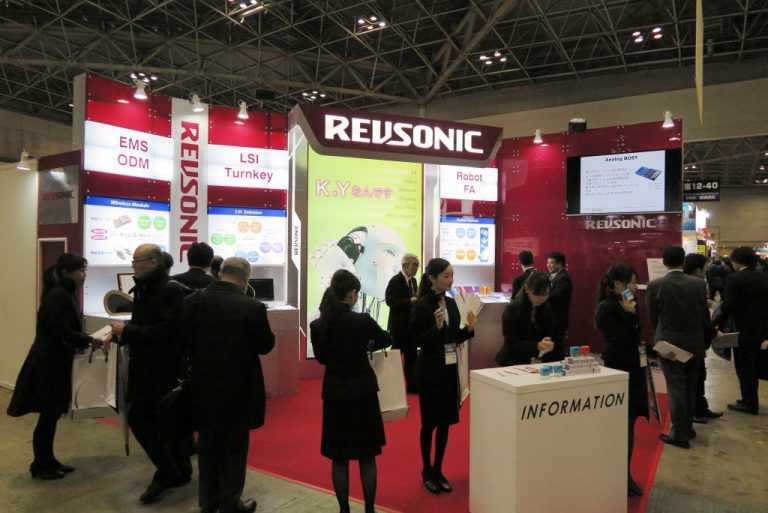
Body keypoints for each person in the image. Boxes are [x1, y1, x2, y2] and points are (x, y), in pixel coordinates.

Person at [182, 257, 275, 513]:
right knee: (234, 449)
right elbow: (265, 346)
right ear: (246, 278)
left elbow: (183, 342)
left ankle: (207, 502)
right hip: (239, 390)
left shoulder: (193, 301)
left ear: (220, 273)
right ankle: (230, 503)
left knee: (207, 447)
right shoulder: (252, 307)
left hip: (202, 387)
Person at [7, 253, 105, 480]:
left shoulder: (64, 292)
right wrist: (89, 340)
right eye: (81, 270)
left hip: (54, 361)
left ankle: (47, 460)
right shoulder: (59, 295)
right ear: (66, 272)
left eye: (85, 269)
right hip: (48, 364)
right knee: (48, 415)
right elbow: (61, 331)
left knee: (51, 415)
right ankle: (41, 465)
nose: (84, 274)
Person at [110, 244, 192, 503]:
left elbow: (167, 331)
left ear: (153, 262)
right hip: (149, 366)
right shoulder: (147, 288)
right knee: (165, 420)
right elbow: (150, 325)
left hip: (161, 369)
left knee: (142, 418)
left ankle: (168, 470)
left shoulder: (168, 289)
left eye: (137, 259)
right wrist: (123, 335)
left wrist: (127, 331)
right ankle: (179, 470)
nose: (132, 264)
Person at [309, 269, 392, 513]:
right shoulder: (361, 320)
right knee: (367, 457)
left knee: (339, 458)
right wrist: (367, 344)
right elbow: (386, 339)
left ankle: (344, 509)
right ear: (352, 293)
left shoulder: (318, 325)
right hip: (363, 393)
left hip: (335, 394)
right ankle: (369, 509)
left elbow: (322, 358)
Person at [411, 258, 476, 494]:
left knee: (445, 423)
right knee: (429, 424)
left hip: (449, 369)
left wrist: (469, 329)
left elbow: (454, 337)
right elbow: (415, 339)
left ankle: (438, 469)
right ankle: (426, 470)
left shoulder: (451, 302)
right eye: (446, 276)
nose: (450, 280)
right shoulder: (422, 305)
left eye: (452, 275)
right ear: (432, 278)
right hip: (430, 370)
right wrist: (435, 329)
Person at [646, 246, 710, 449]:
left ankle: (679, 433)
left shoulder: (655, 285)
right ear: (683, 261)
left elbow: (653, 317)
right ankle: (687, 428)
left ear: (664, 262)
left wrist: (663, 334)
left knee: (675, 388)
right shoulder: (698, 284)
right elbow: (704, 316)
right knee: (690, 387)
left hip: (669, 344)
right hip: (694, 342)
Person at [595, 264, 648, 497]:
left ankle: (624, 475)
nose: (635, 287)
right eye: (632, 282)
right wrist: (628, 315)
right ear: (618, 284)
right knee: (622, 423)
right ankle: (619, 476)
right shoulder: (607, 307)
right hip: (619, 367)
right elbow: (617, 339)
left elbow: (635, 336)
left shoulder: (629, 304)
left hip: (635, 367)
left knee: (630, 421)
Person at [713, 247, 768, 415]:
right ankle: (750, 400)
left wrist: (717, 324)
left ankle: (749, 403)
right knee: (755, 364)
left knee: (744, 367)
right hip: (761, 330)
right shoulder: (764, 277)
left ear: (737, 262)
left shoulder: (734, 278)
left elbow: (729, 305)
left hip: (742, 330)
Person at [683, 253, 722, 423]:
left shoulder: (694, 284)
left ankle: (700, 408)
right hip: (691, 340)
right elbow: (700, 316)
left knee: (699, 376)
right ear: (698, 269)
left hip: (695, 340)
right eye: (705, 267)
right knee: (694, 379)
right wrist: (713, 332)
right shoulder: (696, 284)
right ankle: (695, 412)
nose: (707, 270)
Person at [496, 272, 556, 366]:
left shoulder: (547, 308)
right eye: (537, 294)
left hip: (536, 362)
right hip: (512, 362)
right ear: (527, 289)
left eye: (545, 294)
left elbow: (549, 333)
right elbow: (511, 343)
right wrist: (537, 346)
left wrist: (548, 342)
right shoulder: (513, 309)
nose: (541, 298)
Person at [385, 253, 420, 393]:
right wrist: (409, 301)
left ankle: (412, 386)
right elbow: (389, 300)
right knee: (394, 357)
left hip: (411, 326)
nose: (416, 268)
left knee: (412, 358)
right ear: (405, 265)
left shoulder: (414, 281)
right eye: (414, 265)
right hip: (399, 326)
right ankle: (390, 386)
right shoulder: (395, 280)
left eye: (417, 265)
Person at [546, 251, 572, 350]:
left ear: (560, 264)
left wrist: (540, 296)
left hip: (557, 319)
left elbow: (556, 296)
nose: (548, 265)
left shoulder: (563, 278)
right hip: (551, 318)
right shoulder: (551, 275)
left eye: (552, 263)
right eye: (548, 263)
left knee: (555, 346)